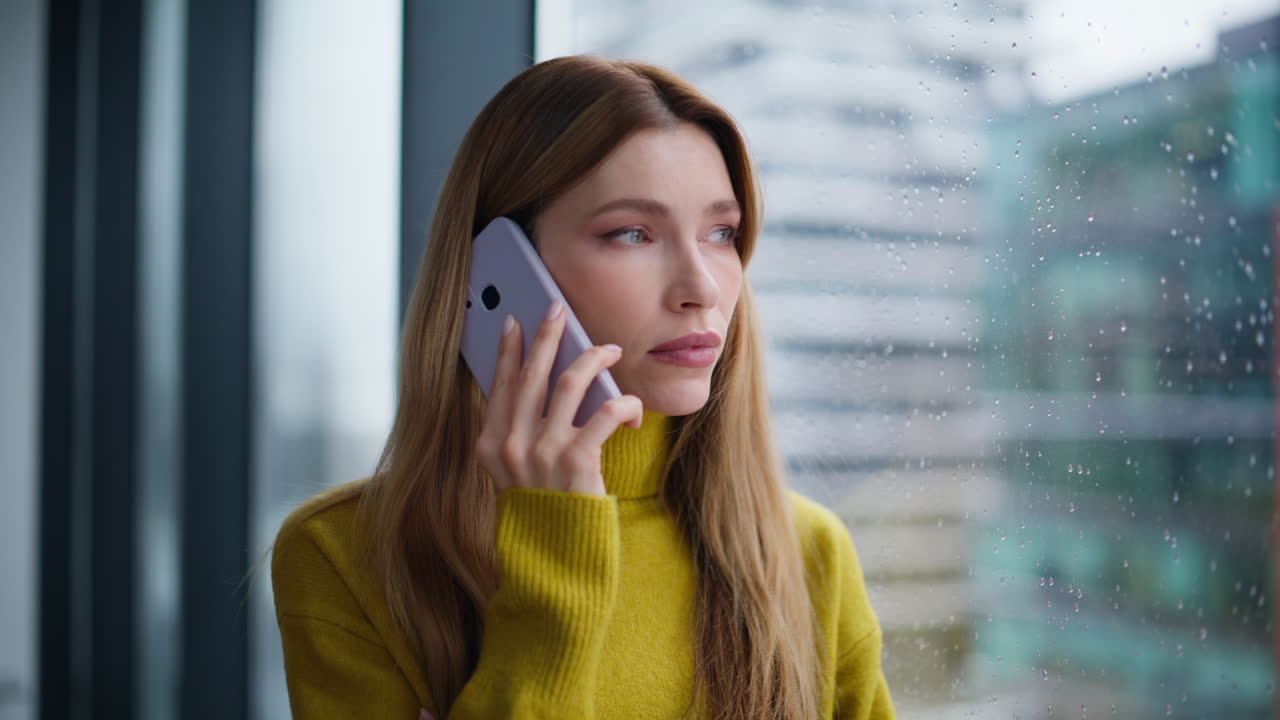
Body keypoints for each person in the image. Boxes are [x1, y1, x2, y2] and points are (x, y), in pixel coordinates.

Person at [270, 55, 895, 719]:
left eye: (722, 232)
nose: (703, 288)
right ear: (502, 270)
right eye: (632, 233)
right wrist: (552, 564)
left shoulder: (806, 552)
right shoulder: (343, 555)